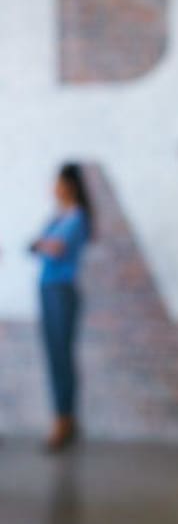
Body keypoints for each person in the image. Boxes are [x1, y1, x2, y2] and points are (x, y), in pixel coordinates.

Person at [31, 163, 94, 452]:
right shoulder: (58, 217)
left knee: (61, 357)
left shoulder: (76, 217)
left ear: (69, 185)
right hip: (47, 289)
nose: (53, 189)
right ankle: (64, 416)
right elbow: (38, 244)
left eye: (58, 183)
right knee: (55, 356)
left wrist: (41, 244)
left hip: (61, 292)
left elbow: (52, 247)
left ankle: (64, 419)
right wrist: (41, 243)